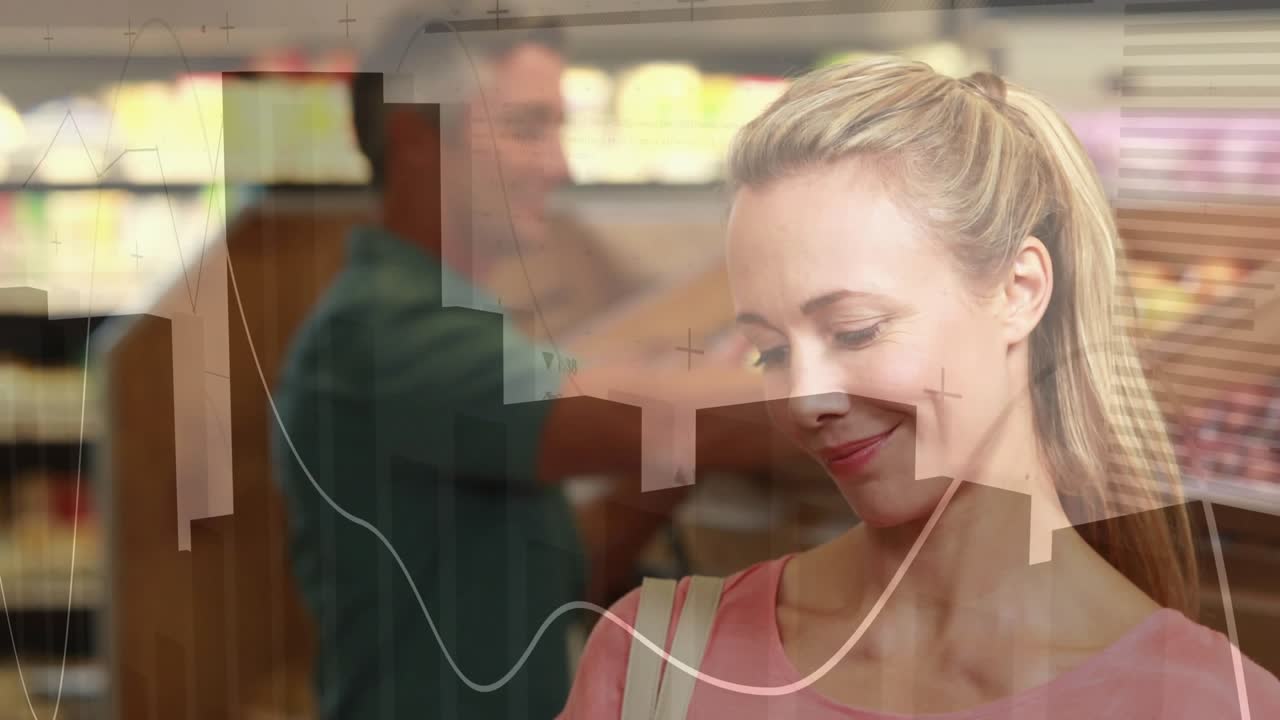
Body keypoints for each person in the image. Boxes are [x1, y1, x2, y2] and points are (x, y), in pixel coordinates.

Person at [558, 57, 1280, 718]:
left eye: (857, 331)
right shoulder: (657, 659)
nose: (805, 399)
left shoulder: (1210, 703)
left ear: (1019, 290)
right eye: (770, 352)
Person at [270, 16, 765, 720]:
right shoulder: (382, 332)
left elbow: (557, 580)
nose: (559, 165)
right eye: (527, 129)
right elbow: (620, 408)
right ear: (417, 141)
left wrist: (695, 436)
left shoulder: (451, 321)